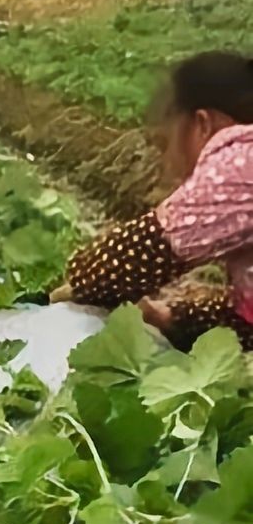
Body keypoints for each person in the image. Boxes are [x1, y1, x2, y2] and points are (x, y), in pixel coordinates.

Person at [53, 52, 253, 349]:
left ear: (202, 124)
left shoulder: (238, 162)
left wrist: (80, 280)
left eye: (166, 143)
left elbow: (143, 249)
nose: (168, 161)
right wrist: (171, 317)